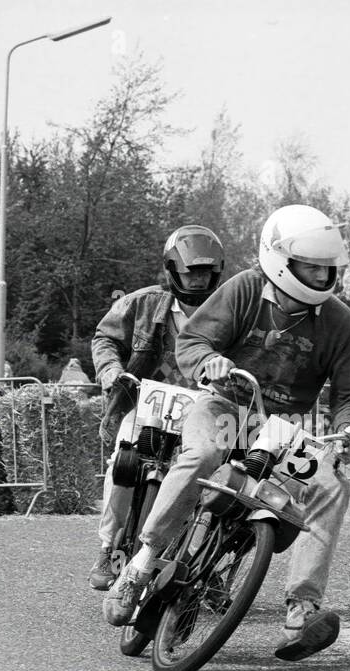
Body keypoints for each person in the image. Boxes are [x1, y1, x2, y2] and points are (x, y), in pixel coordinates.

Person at [103, 204, 350, 662]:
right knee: (204, 454)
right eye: (312, 266)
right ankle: (141, 563)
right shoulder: (245, 289)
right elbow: (192, 340)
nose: (322, 275)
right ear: (281, 259)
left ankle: (302, 610)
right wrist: (209, 361)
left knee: (330, 485)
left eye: (328, 268)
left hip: (281, 430)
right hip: (226, 406)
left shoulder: (339, 321)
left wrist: (347, 430)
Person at [86, 224, 226, 589]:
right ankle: (108, 546)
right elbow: (104, 337)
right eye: (190, 272)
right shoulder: (142, 302)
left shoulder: (229, 311)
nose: (197, 281)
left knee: (218, 484)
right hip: (145, 403)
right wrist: (112, 371)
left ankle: (206, 564)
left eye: (205, 273)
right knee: (123, 460)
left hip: (204, 412)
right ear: (171, 270)